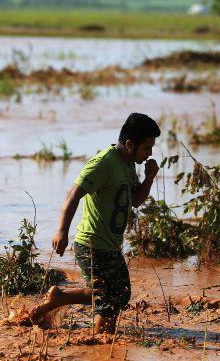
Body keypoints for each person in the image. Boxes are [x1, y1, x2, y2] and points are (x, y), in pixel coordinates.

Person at [30, 113, 161, 333]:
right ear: (130, 144)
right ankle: (100, 345)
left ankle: (60, 297)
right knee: (108, 300)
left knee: (120, 292)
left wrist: (149, 178)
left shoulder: (128, 163)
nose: (149, 154)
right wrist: (62, 232)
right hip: (92, 244)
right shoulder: (104, 163)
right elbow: (73, 194)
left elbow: (136, 201)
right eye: (146, 148)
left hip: (110, 245)